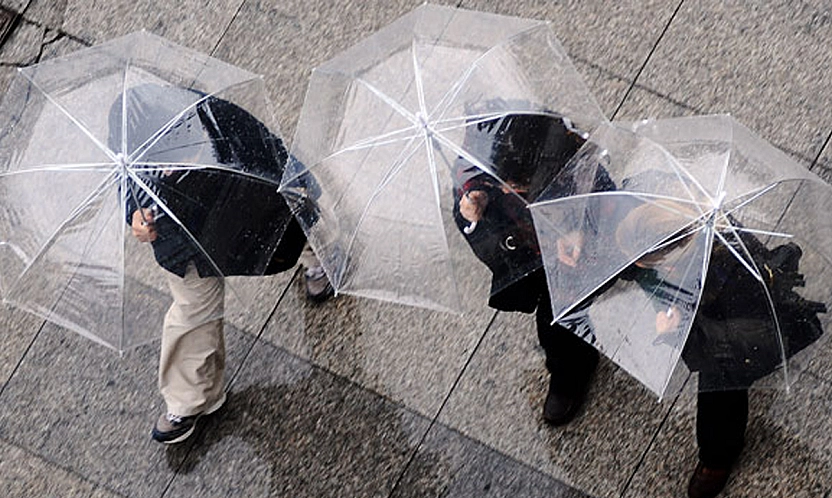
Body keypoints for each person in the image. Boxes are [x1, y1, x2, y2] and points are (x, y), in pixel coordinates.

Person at [113, 83, 307, 443]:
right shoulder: (129, 126)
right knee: (191, 312)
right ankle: (190, 400)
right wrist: (135, 216)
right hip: (183, 240)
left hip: (242, 205)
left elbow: (270, 161)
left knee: (292, 230)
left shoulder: (216, 121)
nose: (164, 168)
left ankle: (320, 258)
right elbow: (125, 182)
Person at [614, 200, 825, 498]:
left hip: (742, 334)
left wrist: (674, 332)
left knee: (721, 390)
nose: (640, 269)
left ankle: (717, 458)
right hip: (710, 306)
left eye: (647, 263)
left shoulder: (728, 272)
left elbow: (714, 349)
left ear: (671, 258)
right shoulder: (681, 231)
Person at [452, 100, 615, 425]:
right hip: (527, 258)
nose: (507, 189)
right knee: (552, 320)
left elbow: (607, 204)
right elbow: (469, 199)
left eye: (514, 185)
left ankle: (572, 369)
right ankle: (570, 366)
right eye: (501, 182)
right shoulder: (480, 163)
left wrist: (578, 231)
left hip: (573, 262)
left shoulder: (576, 164)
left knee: (559, 319)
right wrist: (471, 211)